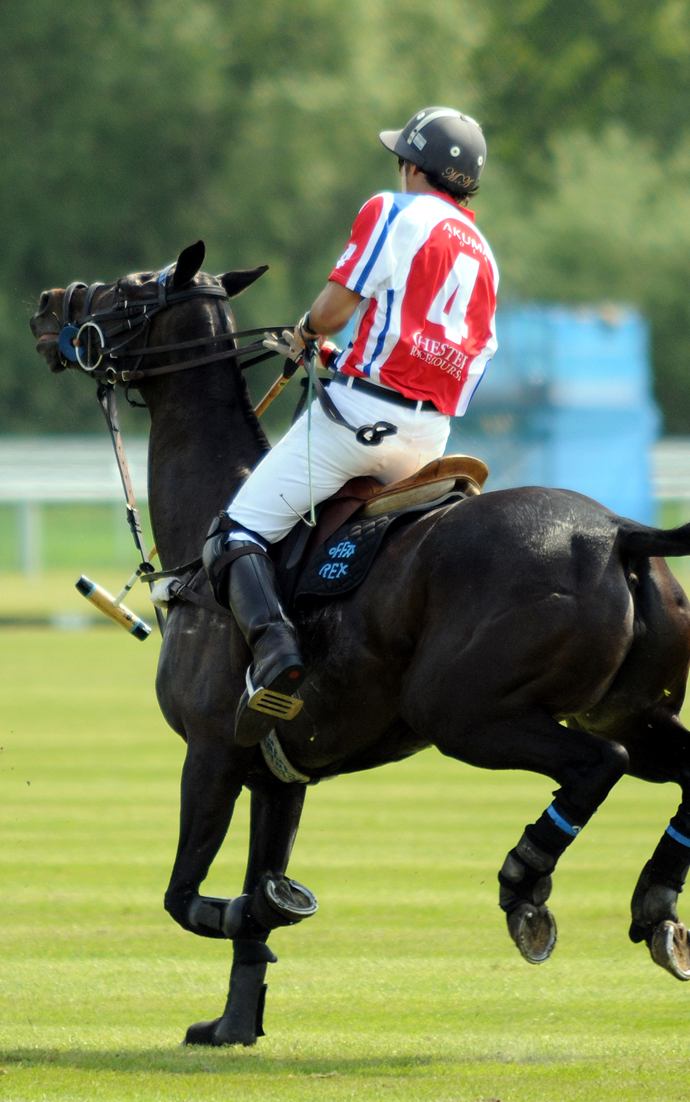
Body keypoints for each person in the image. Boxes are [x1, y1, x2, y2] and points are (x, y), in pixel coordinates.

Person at [202, 107, 500, 746]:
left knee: (234, 532)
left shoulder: (394, 211)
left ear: (413, 165)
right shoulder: (485, 255)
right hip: (431, 444)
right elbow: (442, 360)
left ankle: (275, 653)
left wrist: (309, 334)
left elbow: (336, 309)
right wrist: (342, 361)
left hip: (360, 423)